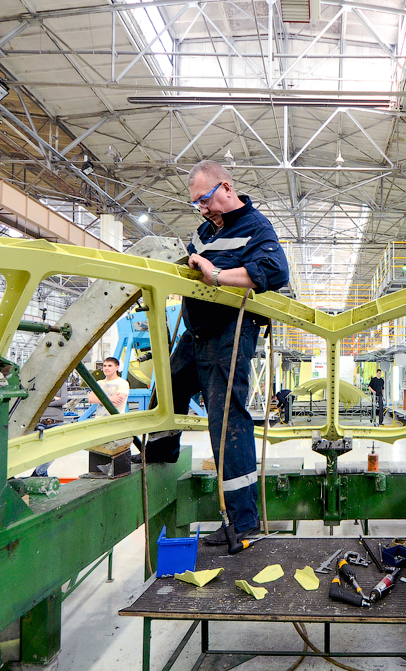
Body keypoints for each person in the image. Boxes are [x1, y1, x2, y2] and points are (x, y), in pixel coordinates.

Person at [145, 160, 288, 546]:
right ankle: (159, 455)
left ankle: (243, 522)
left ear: (226, 188)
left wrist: (217, 274)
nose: (202, 209)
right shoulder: (206, 230)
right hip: (196, 332)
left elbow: (275, 273)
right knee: (169, 385)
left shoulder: (255, 227)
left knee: (226, 424)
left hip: (229, 334)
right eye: (196, 204)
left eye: (204, 200)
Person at [31, 384, 69, 477]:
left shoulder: (61, 384)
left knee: (54, 450)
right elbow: (33, 402)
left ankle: (37, 474)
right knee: (40, 452)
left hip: (56, 422)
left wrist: (44, 402)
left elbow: (63, 400)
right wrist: (54, 399)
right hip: (40, 423)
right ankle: (42, 476)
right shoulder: (38, 383)